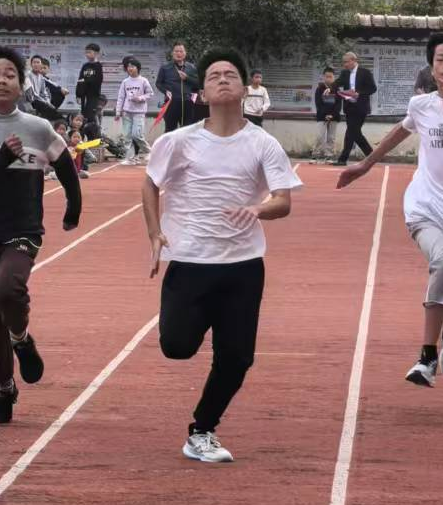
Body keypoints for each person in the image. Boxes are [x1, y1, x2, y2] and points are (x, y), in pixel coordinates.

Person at [143, 46, 302, 464]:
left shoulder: (263, 143)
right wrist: (155, 233)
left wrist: (258, 208)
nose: (223, 79)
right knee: (177, 346)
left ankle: (202, 429)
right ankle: (198, 324)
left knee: (237, 357)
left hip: (243, 266)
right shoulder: (178, 141)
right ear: (202, 93)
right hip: (191, 260)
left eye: (231, 73)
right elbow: (150, 184)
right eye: (214, 75)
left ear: (245, 87)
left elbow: (283, 200)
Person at [338, 31, 443, 387]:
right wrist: (365, 165)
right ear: (432, 66)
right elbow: (401, 131)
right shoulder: (422, 105)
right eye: (440, 59)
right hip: (425, 205)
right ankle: (427, 357)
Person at [0, 46, 82, 426]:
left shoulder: (37, 128)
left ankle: (22, 339)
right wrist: (1, 160)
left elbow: (66, 166)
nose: (2, 79)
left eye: (10, 73)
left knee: (8, 290)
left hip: (23, 230)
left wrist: (73, 207)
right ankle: (5, 387)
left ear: (22, 84)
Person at [337, 50, 377, 165]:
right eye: (343, 62)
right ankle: (370, 155)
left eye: (346, 62)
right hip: (349, 107)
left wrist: (359, 93)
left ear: (353, 61)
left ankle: (343, 159)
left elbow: (373, 89)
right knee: (354, 132)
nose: (344, 64)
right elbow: (337, 83)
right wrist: (329, 88)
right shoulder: (345, 73)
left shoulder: (365, 72)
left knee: (352, 131)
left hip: (361, 107)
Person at [115, 55, 155, 165]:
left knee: (137, 135)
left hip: (139, 112)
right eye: (128, 67)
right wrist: (118, 112)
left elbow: (150, 94)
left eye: (133, 66)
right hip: (127, 112)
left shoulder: (143, 81)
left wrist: (140, 98)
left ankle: (150, 152)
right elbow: (121, 97)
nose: (130, 68)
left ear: (138, 68)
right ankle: (130, 158)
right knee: (127, 135)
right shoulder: (125, 82)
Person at [157, 41, 200, 134]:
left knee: (187, 131)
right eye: (176, 51)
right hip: (171, 103)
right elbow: (158, 83)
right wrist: (165, 91)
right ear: (172, 53)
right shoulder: (165, 67)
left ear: (185, 53)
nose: (178, 53)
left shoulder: (191, 68)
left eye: (181, 51)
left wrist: (187, 78)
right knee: (170, 131)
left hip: (188, 104)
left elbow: (198, 84)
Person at [21, 54, 66, 122]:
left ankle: (53, 116)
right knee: (40, 103)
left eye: (38, 62)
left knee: (58, 96)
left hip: (39, 101)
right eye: (34, 62)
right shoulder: (27, 75)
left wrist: (48, 102)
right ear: (31, 64)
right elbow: (33, 94)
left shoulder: (41, 77)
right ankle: (60, 118)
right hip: (31, 100)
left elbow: (44, 92)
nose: (36, 64)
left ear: (41, 65)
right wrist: (45, 102)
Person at [76, 44, 105, 139]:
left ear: (96, 53)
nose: (87, 54)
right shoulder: (85, 66)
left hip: (93, 97)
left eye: (89, 52)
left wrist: (86, 82)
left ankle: (94, 139)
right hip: (84, 96)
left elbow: (97, 81)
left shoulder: (98, 66)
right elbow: (80, 80)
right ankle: (82, 140)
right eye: (86, 52)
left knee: (91, 119)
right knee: (83, 118)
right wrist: (78, 94)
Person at [314, 67, 342, 159]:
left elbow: (338, 105)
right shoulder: (319, 89)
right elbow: (318, 103)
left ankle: (329, 154)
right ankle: (316, 153)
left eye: (330, 77)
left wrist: (332, 115)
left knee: (331, 137)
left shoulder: (337, 89)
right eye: (326, 76)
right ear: (323, 77)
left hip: (334, 117)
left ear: (334, 77)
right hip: (322, 116)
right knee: (319, 136)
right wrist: (325, 115)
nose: (328, 78)